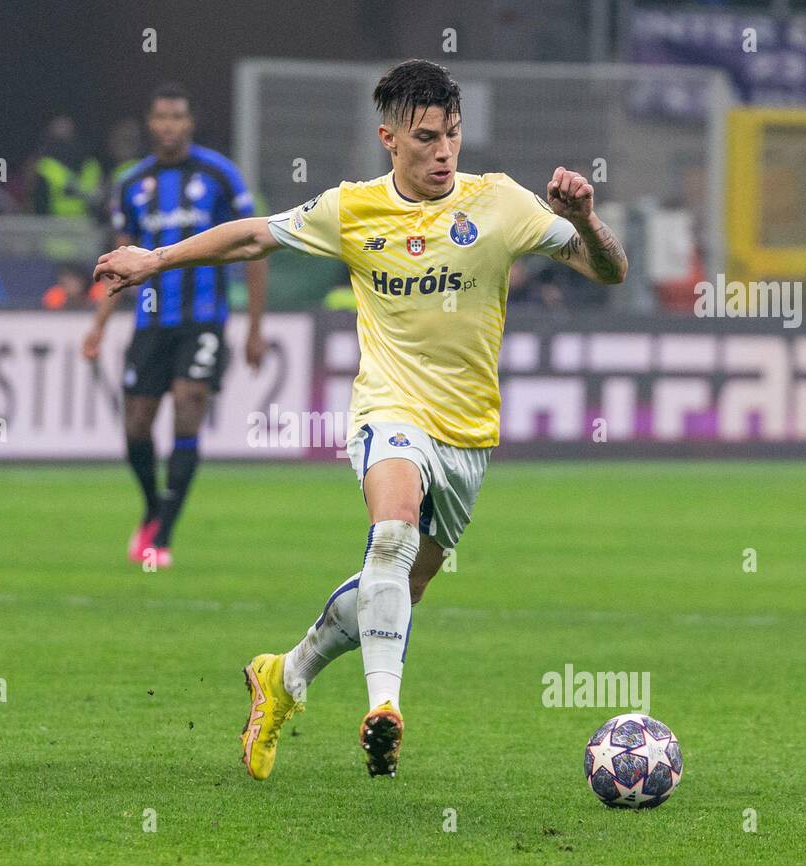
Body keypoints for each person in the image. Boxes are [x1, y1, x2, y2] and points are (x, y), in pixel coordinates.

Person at [95, 59, 627, 779]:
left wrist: (585, 221)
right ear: (389, 138)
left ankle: (283, 676)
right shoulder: (351, 210)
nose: (443, 152)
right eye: (427, 138)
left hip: (469, 432)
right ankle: (385, 709)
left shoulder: (499, 202)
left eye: (453, 136)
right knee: (392, 531)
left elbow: (608, 271)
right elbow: (253, 236)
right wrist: (155, 259)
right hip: (389, 408)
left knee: (400, 589)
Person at [83, 83, 267, 568]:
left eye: (178, 116)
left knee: (189, 404)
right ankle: (153, 505)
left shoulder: (221, 175)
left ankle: (162, 532)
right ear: (151, 123)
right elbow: (119, 259)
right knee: (137, 423)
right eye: (161, 116)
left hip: (204, 320)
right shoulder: (132, 183)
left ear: (191, 122)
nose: (169, 125)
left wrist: (253, 327)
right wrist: (100, 323)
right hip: (150, 321)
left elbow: (254, 247)